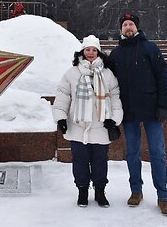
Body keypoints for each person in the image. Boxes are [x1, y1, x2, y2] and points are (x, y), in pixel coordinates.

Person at [108, 13, 167, 215]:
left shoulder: (150, 48)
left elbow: (163, 77)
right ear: (121, 29)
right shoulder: (116, 54)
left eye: (131, 24)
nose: (128, 27)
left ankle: (163, 196)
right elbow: (108, 84)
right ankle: (136, 191)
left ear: (137, 28)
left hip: (153, 110)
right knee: (132, 153)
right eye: (125, 24)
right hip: (128, 112)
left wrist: (164, 104)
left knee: (158, 153)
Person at [52, 35, 123, 208]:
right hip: (78, 127)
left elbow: (115, 97)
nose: (90, 53)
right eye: (87, 49)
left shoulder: (107, 74)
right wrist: (60, 117)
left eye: (94, 50)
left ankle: (100, 191)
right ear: (82, 52)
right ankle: (82, 191)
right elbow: (63, 96)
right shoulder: (72, 73)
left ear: (98, 52)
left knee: (100, 161)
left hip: (100, 126)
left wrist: (114, 120)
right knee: (80, 161)